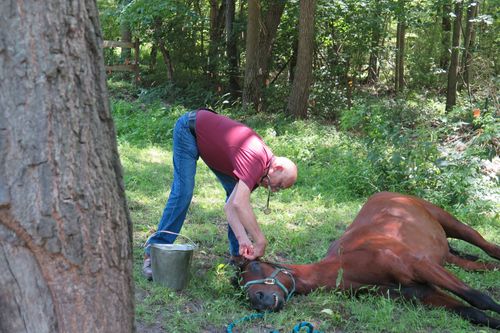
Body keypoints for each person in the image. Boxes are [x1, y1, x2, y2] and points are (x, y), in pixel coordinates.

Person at [142, 108, 298, 280]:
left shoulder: (261, 174)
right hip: (189, 129)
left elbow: (231, 207)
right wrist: (260, 240)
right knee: (183, 193)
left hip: (209, 143)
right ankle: (154, 253)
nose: (274, 190)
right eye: (280, 185)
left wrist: (243, 239)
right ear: (278, 168)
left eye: (279, 189)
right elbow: (240, 204)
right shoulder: (256, 160)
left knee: (235, 194)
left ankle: (239, 256)